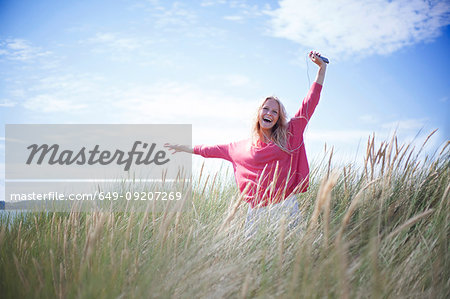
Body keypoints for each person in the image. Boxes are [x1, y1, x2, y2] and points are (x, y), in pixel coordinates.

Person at [165, 51, 327, 234]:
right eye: (266, 109)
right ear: (258, 113)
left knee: (290, 256)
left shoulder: (289, 135)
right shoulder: (238, 148)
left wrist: (321, 69)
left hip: (285, 207)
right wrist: (181, 147)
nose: (269, 114)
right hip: (256, 212)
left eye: (275, 112)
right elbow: (207, 150)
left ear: (279, 117)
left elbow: (310, 102)